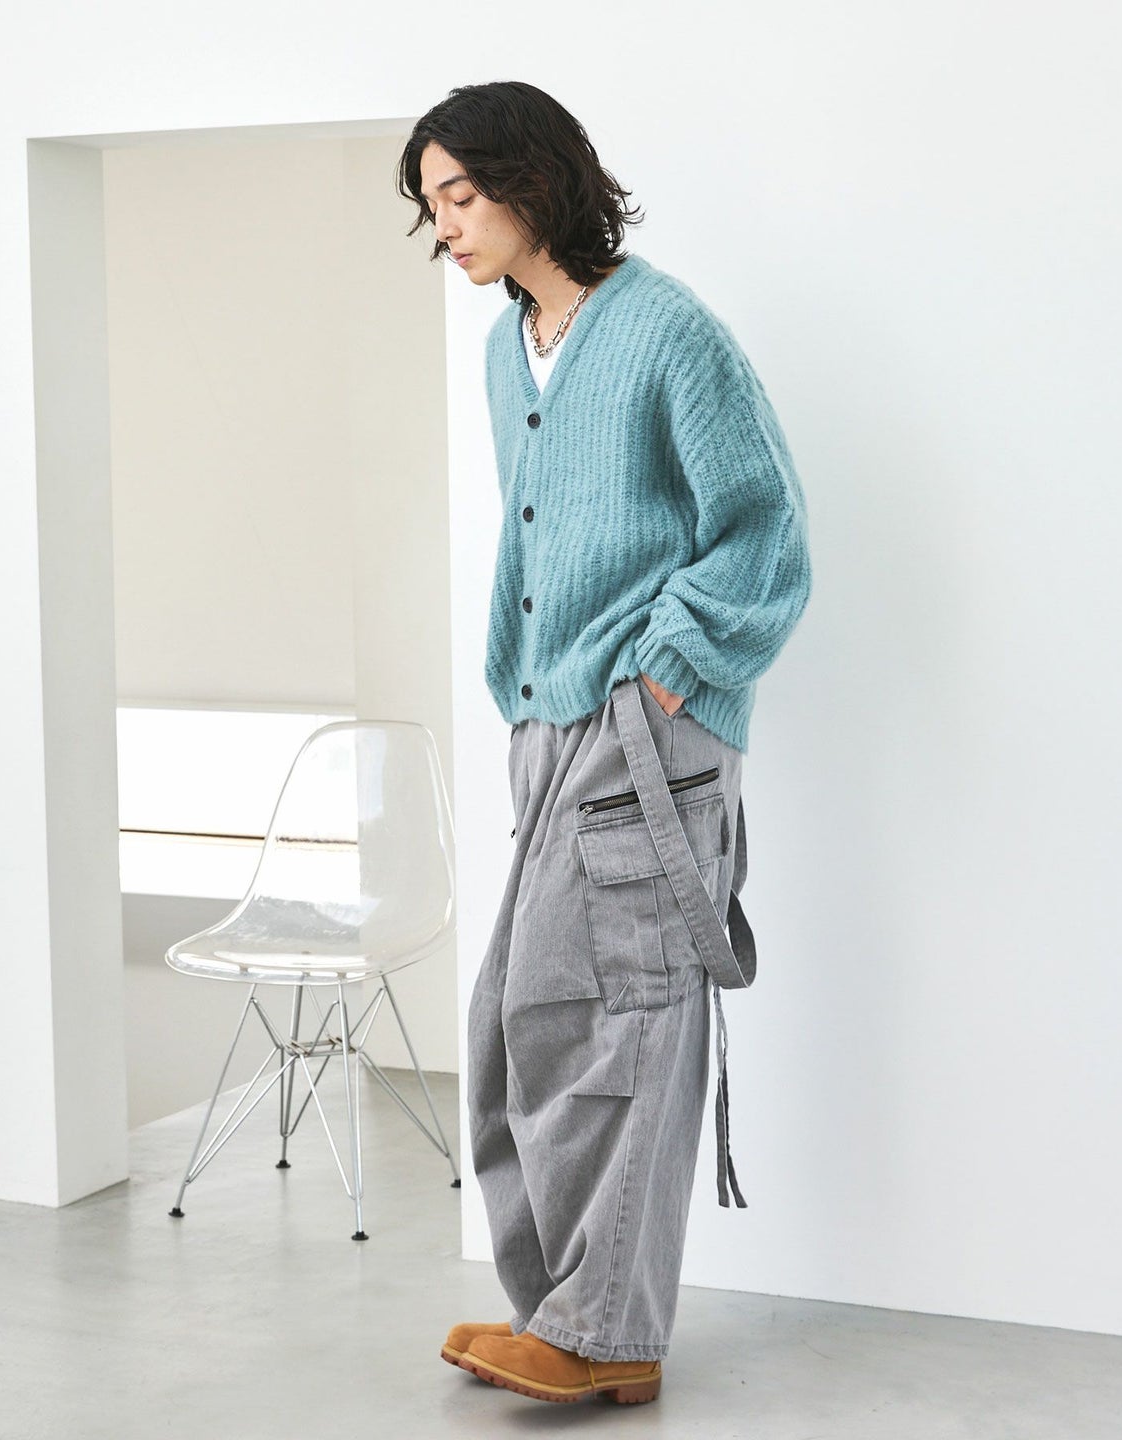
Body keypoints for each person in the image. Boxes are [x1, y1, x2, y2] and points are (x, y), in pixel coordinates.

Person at [398, 81, 812, 1406]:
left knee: (623, 1024)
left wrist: (672, 669)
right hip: (547, 720)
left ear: (534, 181)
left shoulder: (668, 332)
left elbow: (765, 529)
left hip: (642, 728)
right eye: (432, 204)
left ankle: (610, 1332)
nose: (445, 224)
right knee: (523, 1018)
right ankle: (566, 1313)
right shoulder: (505, 346)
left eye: (462, 194)